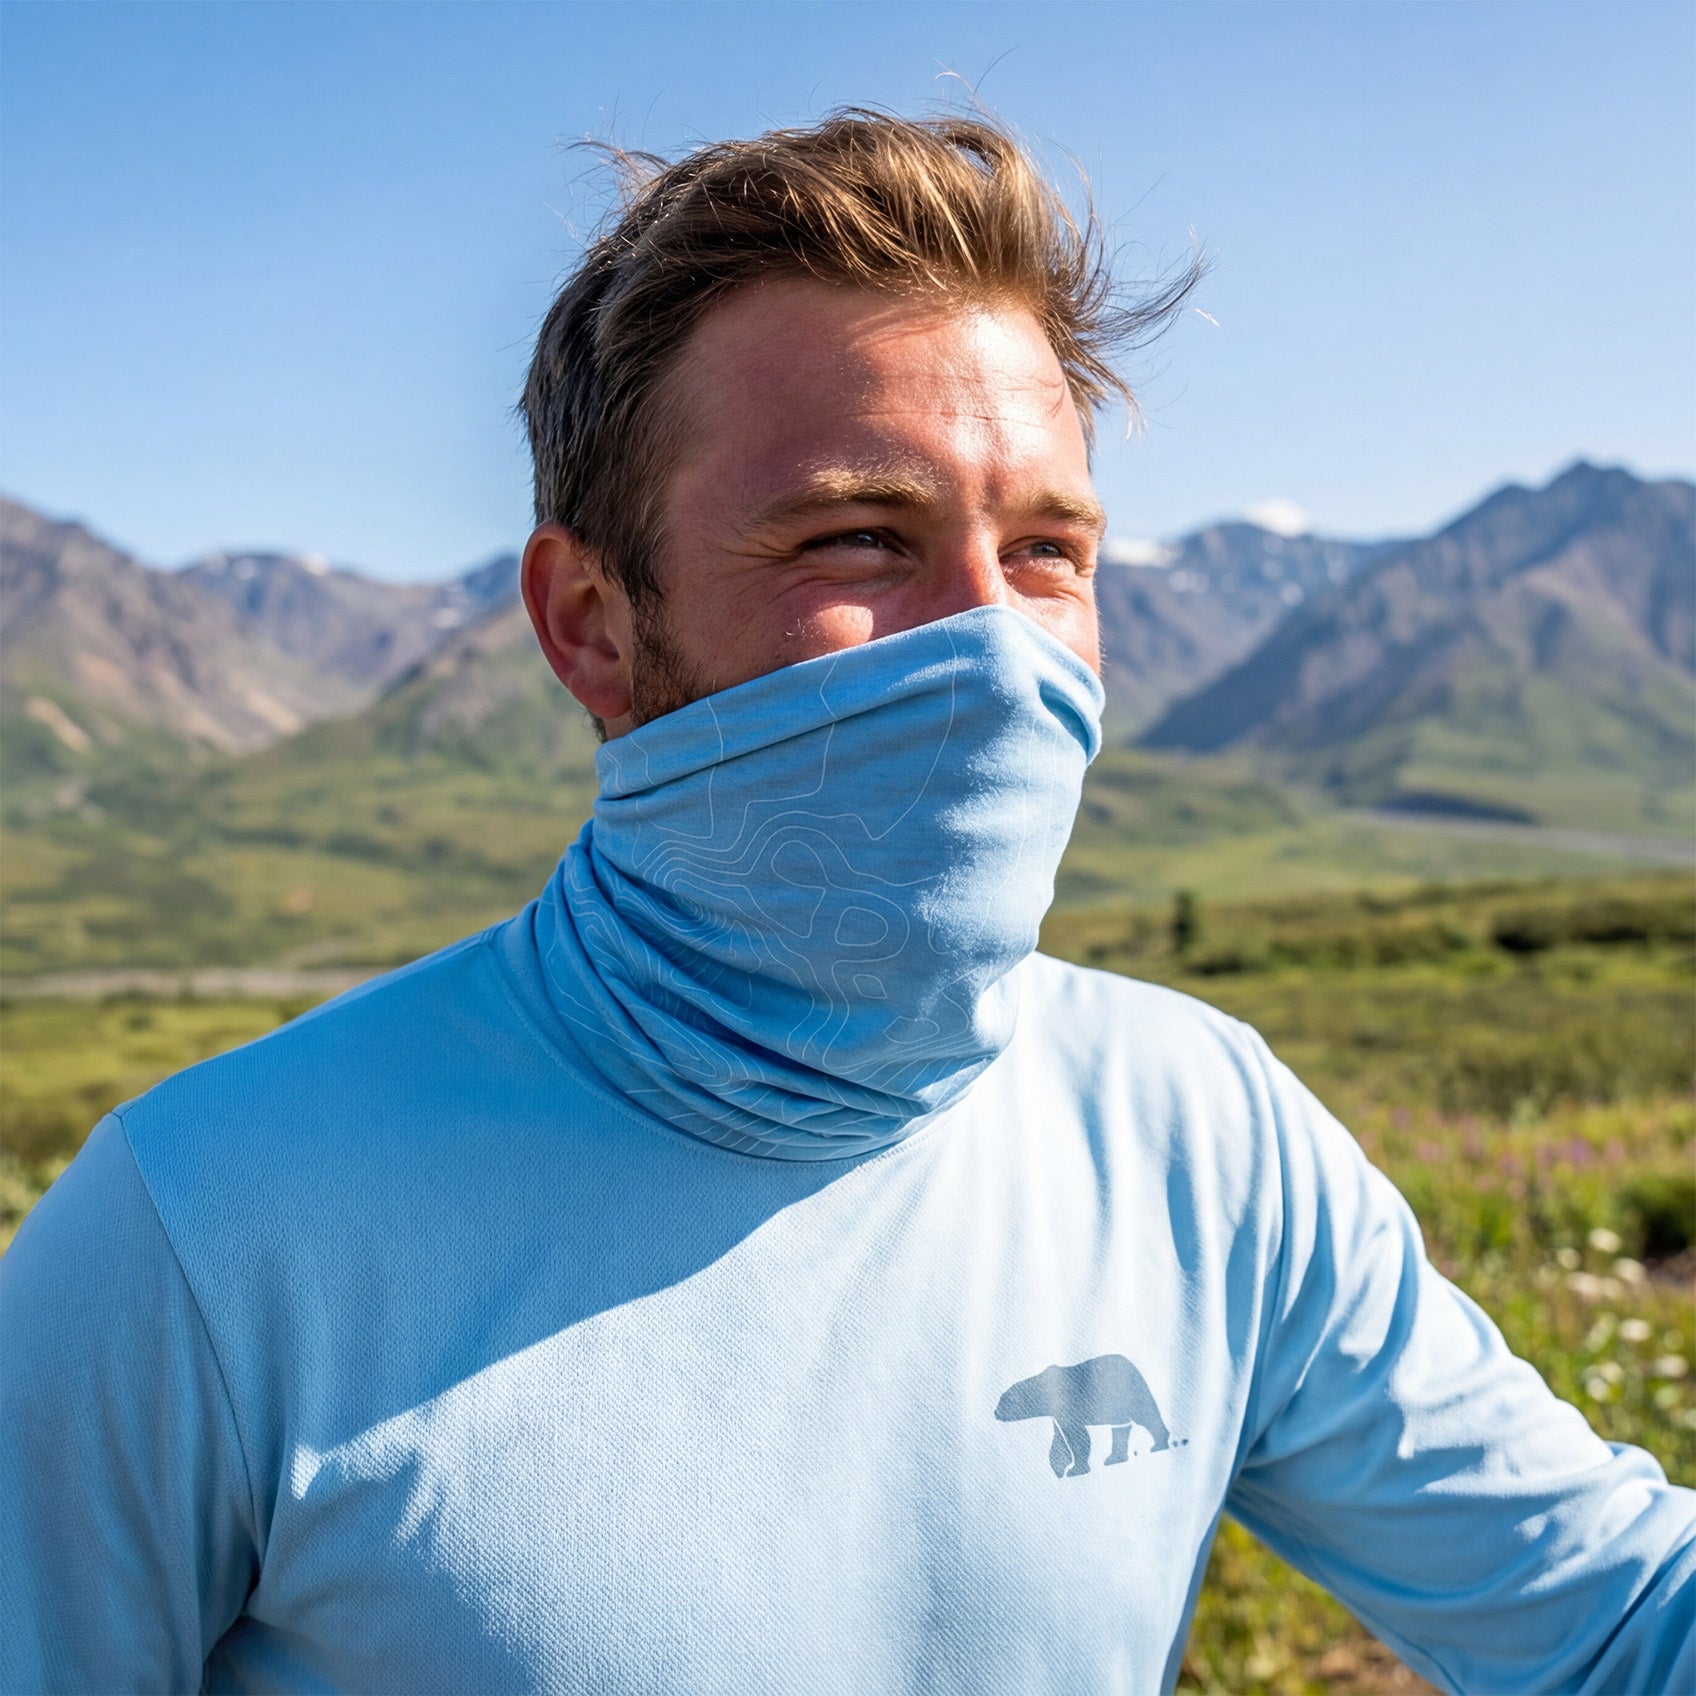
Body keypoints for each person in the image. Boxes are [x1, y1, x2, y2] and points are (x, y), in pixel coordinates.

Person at [2, 109, 1691, 1695]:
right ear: (589, 622)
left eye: (1045, 550)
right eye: (858, 541)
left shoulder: (1200, 1133)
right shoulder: (197, 1232)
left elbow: (1618, 1621)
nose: (995, 649)